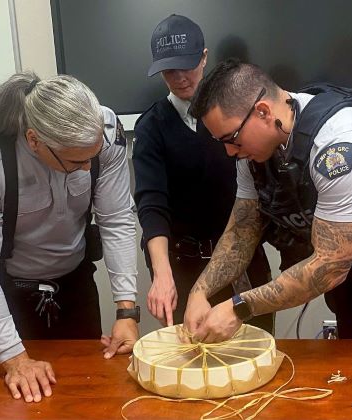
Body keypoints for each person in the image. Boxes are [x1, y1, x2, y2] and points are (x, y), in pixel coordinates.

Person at [0, 72, 139, 402]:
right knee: (23, 400)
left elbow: (117, 218)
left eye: (92, 158)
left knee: (86, 391)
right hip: (9, 294)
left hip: (75, 283)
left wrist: (126, 311)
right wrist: (15, 360)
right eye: (77, 162)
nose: (88, 168)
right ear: (34, 140)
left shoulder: (103, 133)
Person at [184, 58, 352, 342]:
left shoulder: (341, 147)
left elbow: (329, 267)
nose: (230, 152)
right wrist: (200, 291)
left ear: (263, 111)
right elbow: (242, 231)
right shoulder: (254, 155)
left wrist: (240, 307)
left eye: (232, 139)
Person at [133, 15, 273, 330]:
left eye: (188, 66)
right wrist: (162, 274)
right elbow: (151, 204)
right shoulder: (152, 127)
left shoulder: (241, 115)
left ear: (205, 57)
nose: (181, 77)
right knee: (191, 365)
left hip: (243, 262)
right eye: (170, 70)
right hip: (184, 268)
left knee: (256, 357)